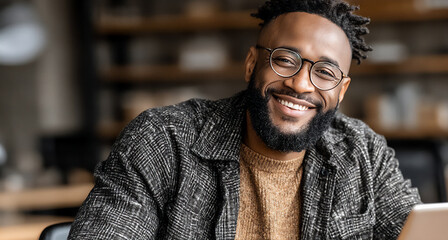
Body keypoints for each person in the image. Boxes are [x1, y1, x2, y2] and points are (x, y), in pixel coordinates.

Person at [69, 0, 421, 239]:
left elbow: (422, 231)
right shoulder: (164, 141)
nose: (300, 84)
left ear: (341, 91)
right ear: (252, 63)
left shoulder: (362, 152)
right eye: (285, 60)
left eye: (325, 72)